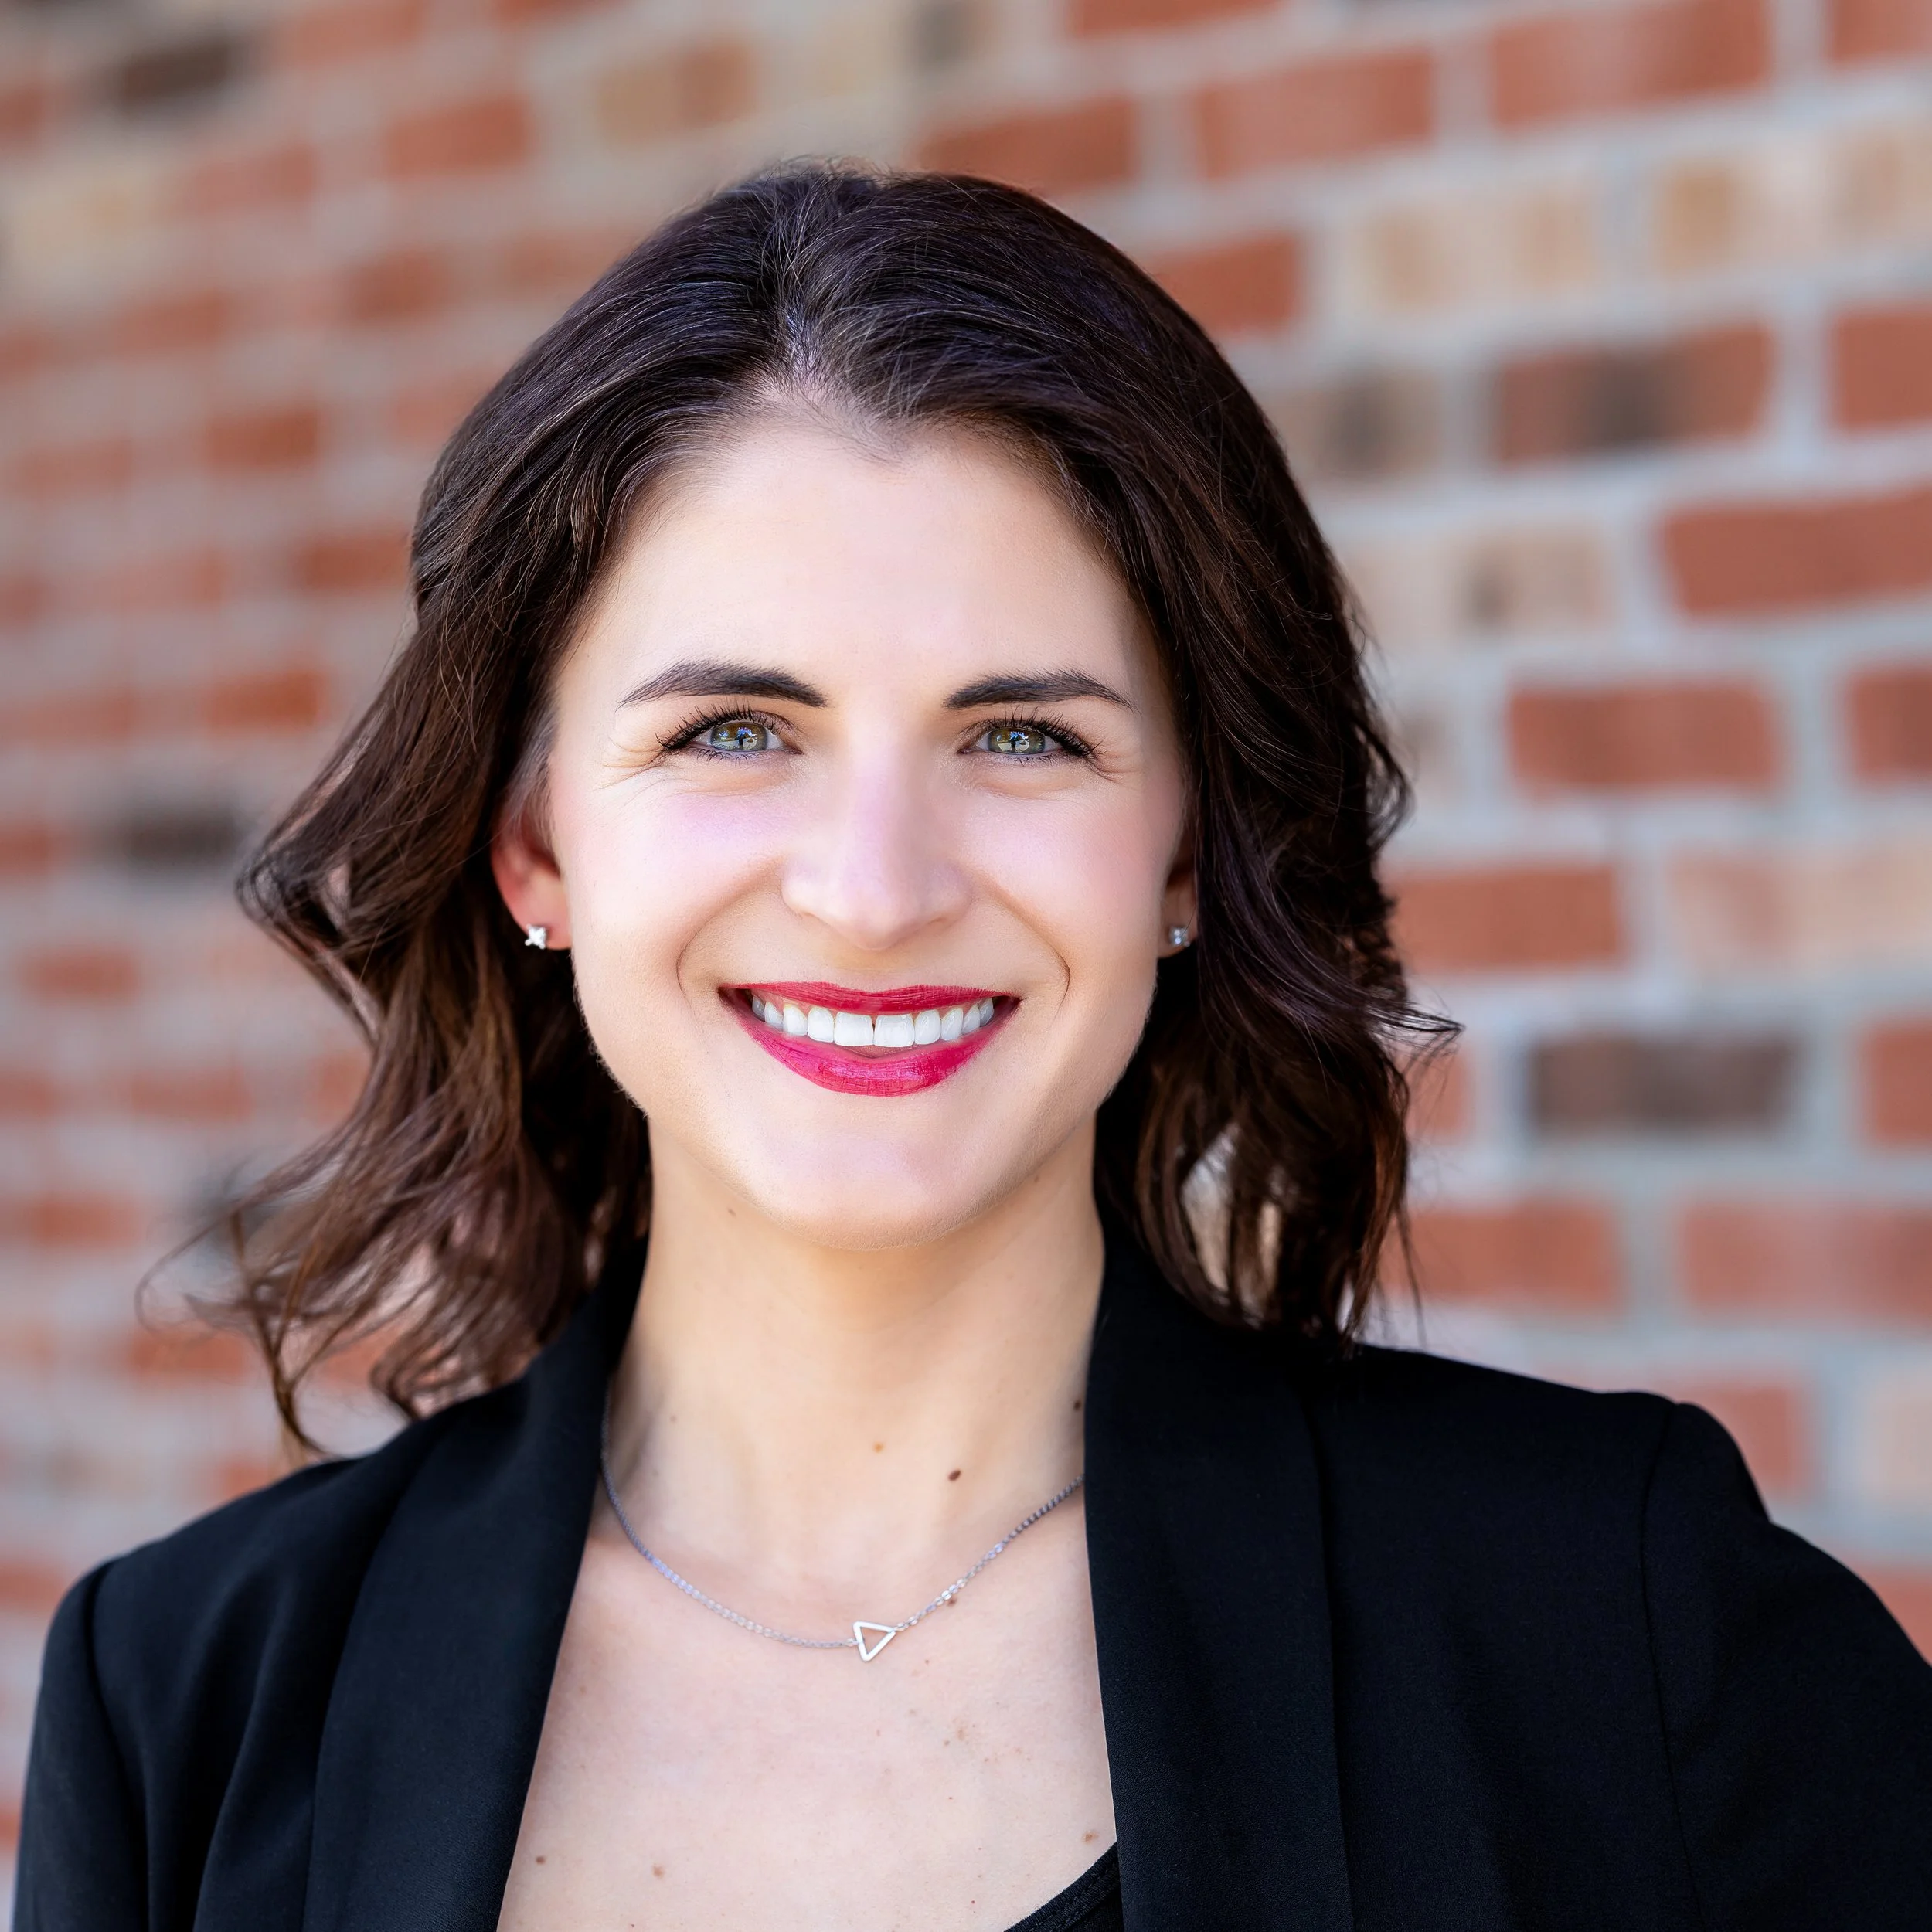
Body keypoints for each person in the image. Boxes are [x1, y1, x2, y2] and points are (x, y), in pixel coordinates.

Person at [15, 164, 1931, 1932]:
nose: (871, 888)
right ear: (536, 844)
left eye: (1021, 735)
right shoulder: (186, 1703)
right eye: (732, 731)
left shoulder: (1614, 1630)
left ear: (1181, 849)